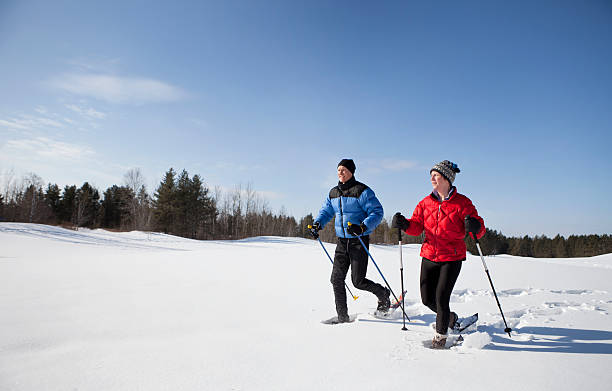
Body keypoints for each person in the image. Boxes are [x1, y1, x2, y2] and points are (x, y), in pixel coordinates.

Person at [392, 160, 485, 348]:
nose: (432, 178)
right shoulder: (425, 202)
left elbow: (479, 227)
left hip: (451, 257)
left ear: (447, 179)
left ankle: (440, 338)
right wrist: (405, 224)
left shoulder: (462, 202)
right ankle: (450, 318)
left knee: (442, 297)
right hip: (429, 255)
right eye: (431, 175)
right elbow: (417, 226)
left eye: (436, 175)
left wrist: (475, 226)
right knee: (427, 299)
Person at [310, 159, 388, 323]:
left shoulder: (362, 191)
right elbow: (326, 211)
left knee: (358, 282)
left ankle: (383, 294)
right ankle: (342, 317)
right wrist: (318, 224)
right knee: (336, 279)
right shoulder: (333, 193)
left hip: (358, 241)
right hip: (341, 242)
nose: (340, 172)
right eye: (338, 169)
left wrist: (362, 227)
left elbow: (377, 212)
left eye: (344, 170)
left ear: (351, 172)